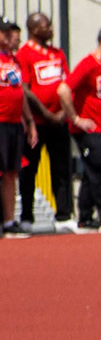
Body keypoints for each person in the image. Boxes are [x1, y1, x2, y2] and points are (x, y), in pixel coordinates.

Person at [14, 12, 74, 231]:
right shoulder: (25, 54)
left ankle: (64, 215)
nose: (51, 28)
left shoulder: (57, 53)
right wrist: (45, 114)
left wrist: (63, 113)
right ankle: (27, 216)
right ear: (34, 28)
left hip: (59, 121)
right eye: (46, 25)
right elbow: (26, 90)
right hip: (37, 123)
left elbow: (65, 84)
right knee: (29, 170)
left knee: (62, 168)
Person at [60, 25, 101, 231]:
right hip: (89, 129)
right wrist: (76, 119)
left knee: (92, 171)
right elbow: (64, 89)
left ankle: (85, 216)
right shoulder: (88, 64)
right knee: (98, 171)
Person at [0, 18, 38, 237]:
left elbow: (19, 92)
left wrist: (30, 121)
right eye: (3, 33)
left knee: (11, 173)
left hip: (14, 123)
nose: (7, 36)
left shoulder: (13, 59)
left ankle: (8, 221)